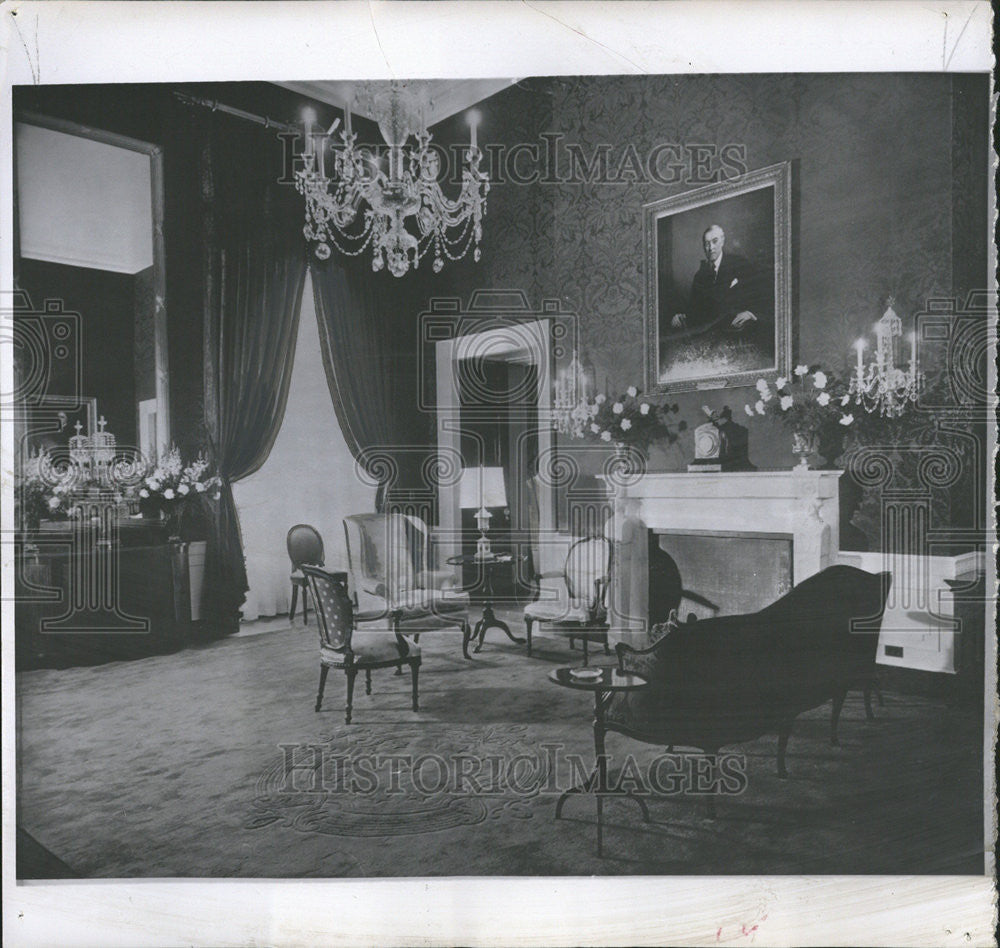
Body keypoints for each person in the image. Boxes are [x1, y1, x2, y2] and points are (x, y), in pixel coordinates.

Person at [670, 224, 768, 339]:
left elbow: (760, 293)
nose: (711, 247)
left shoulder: (739, 263)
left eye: (715, 241)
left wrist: (751, 313)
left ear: (722, 241)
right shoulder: (700, 275)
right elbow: (694, 307)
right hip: (710, 335)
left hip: (737, 331)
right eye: (707, 244)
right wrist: (681, 315)